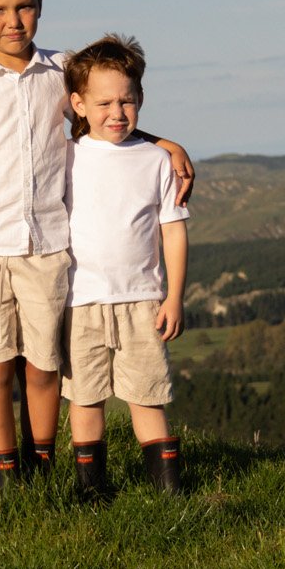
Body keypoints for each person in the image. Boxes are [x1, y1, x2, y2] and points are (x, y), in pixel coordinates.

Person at [0, 0, 192, 490]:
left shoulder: (62, 71)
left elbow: (106, 112)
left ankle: (42, 468)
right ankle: (7, 481)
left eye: (24, 7)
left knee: (44, 366)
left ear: (40, 5)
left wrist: (162, 141)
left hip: (46, 246)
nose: (12, 21)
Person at [61, 34, 188, 498]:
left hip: (142, 301)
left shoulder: (156, 160)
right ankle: (91, 490)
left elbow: (173, 230)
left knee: (148, 395)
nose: (117, 112)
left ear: (141, 100)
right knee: (85, 398)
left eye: (127, 101)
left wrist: (174, 296)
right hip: (80, 301)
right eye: (103, 102)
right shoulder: (66, 157)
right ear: (77, 104)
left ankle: (168, 491)